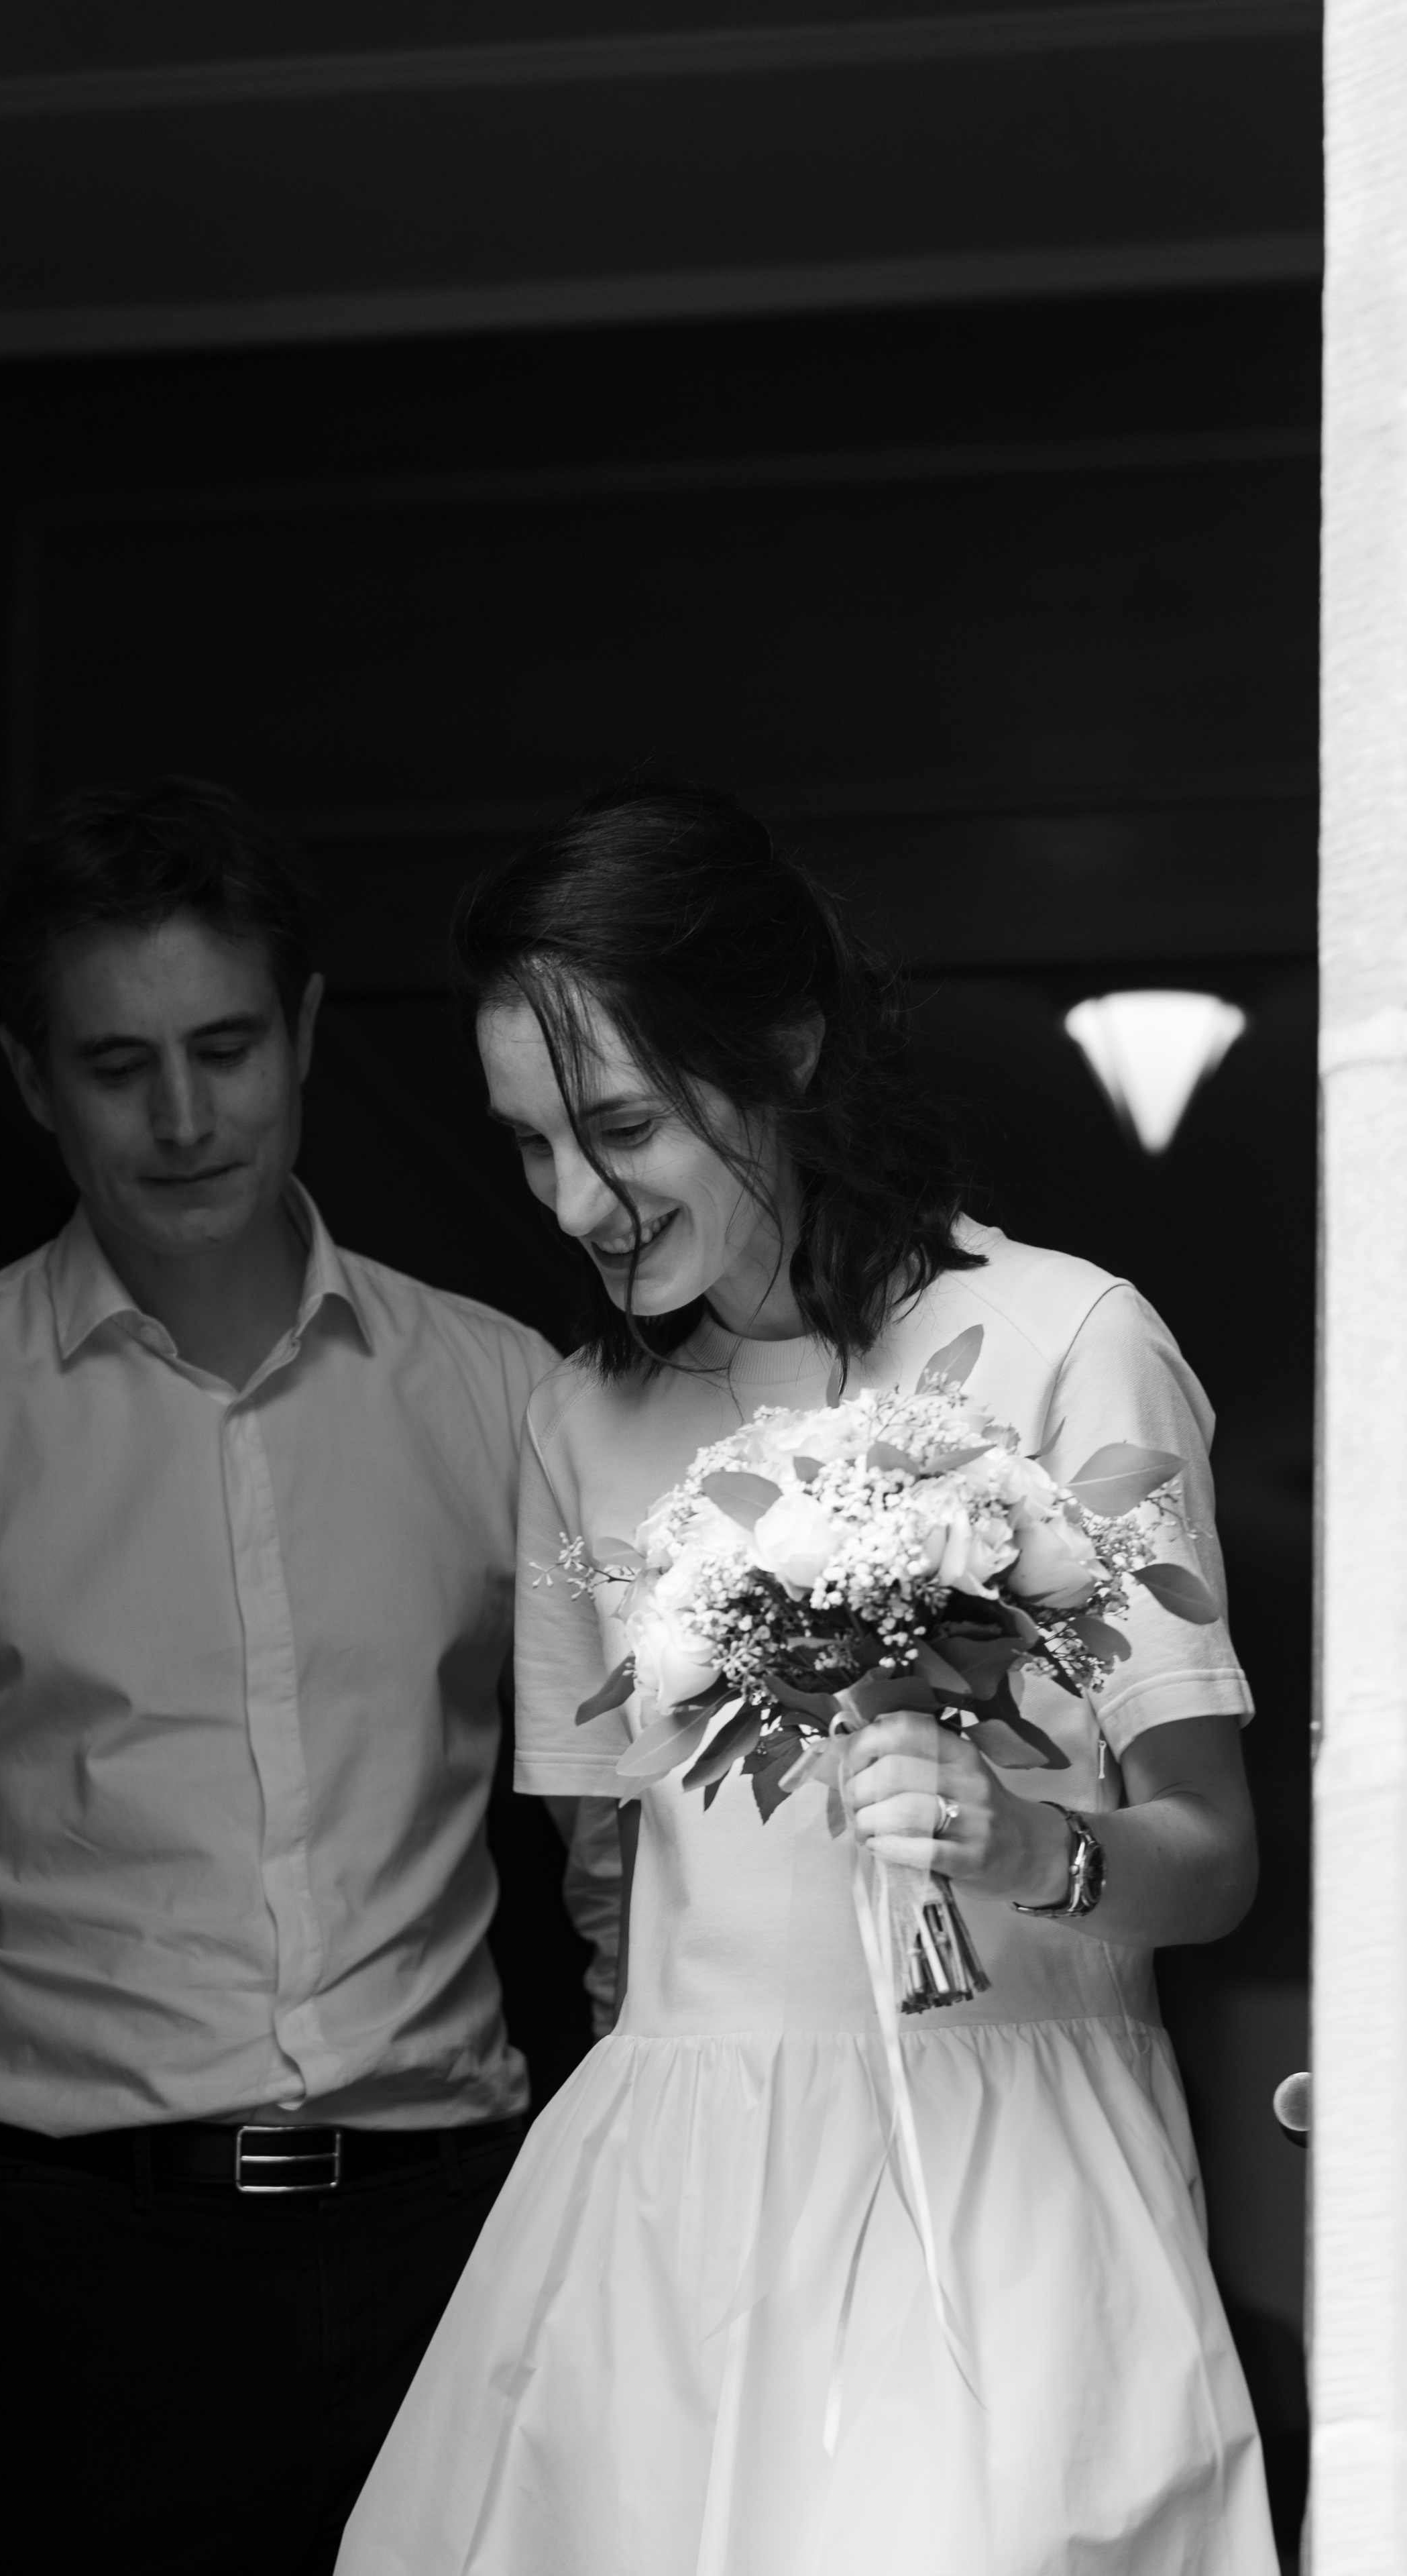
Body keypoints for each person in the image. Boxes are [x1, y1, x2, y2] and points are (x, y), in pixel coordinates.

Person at [335, 784, 1278, 2575]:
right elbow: (607, 1883)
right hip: (674, 2199)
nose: (573, 1201)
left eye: (616, 1125)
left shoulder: (1072, 1342)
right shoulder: (578, 1425)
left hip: (1008, 2173)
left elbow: (1212, 1852)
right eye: (531, 1146)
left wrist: (1026, 1847)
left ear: (779, 1043)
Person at [0, 778, 571, 2576]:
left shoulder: (496, 1393)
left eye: (227, 1045)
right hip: (73, 2275)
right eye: (118, 1064)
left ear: (307, 1031)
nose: (183, 1117)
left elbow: (626, 1836)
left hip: (450, 2247)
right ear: (33, 1079)